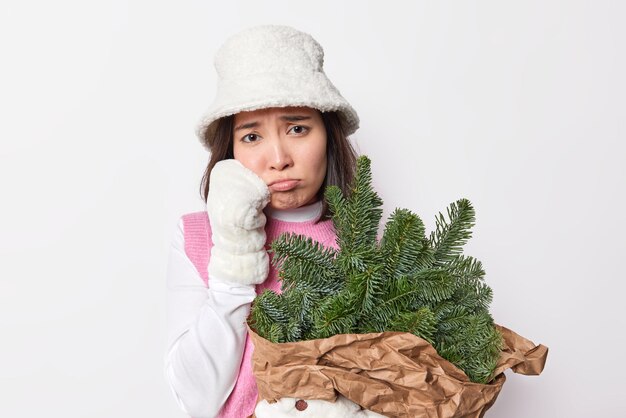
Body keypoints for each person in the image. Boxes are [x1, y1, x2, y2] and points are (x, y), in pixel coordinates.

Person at [163, 24, 360, 418]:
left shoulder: (365, 241)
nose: (279, 158)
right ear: (230, 150)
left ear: (329, 134)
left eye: (298, 128)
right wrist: (234, 260)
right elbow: (197, 400)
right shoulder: (197, 236)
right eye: (252, 137)